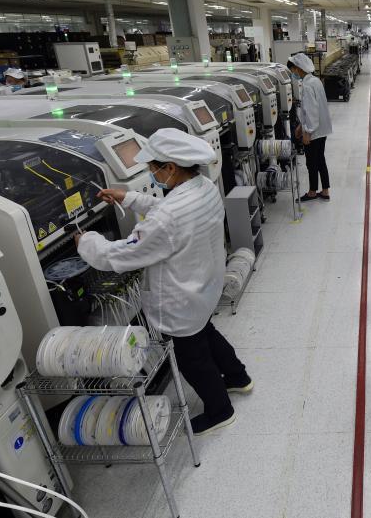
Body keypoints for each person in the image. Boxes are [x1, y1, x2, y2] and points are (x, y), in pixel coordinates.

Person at [75, 128, 252, 435]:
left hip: (180, 300)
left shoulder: (169, 216)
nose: (151, 173)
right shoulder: (204, 186)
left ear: (170, 167)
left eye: (152, 168)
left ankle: (220, 411)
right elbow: (168, 210)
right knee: (206, 332)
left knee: (193, 359)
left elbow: (122, 254)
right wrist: (129, 198)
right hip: (203, 287)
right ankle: (238, 377)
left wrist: (86, 241)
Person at [287, 52, 332, 202]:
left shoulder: (307, 85)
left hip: (314, 132)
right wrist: (301, 125)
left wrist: (307, 132)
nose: (293, 73)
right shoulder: (315, 81)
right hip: (322, 130)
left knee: (311, 162)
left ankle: (312, 192)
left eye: (292, 70)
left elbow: (311, 111)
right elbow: (310, 109)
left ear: (298, 68)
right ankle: (325, 191)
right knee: (320, 160)